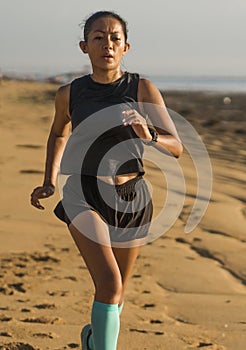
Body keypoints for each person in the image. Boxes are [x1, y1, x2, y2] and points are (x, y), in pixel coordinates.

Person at [31, 11, 182, 350]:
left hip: (132, 196)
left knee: (116, 295)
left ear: (126, 47)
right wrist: (49, 181)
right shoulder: (69, 93)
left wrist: (150, 136)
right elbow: (58, 132)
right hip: (83, 192)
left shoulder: (142, 88)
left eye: (115, 38)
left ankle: (93, 338)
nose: (107, 44)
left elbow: (177, 148)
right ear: (85, 47)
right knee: (110, 284)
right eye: (98, 37)